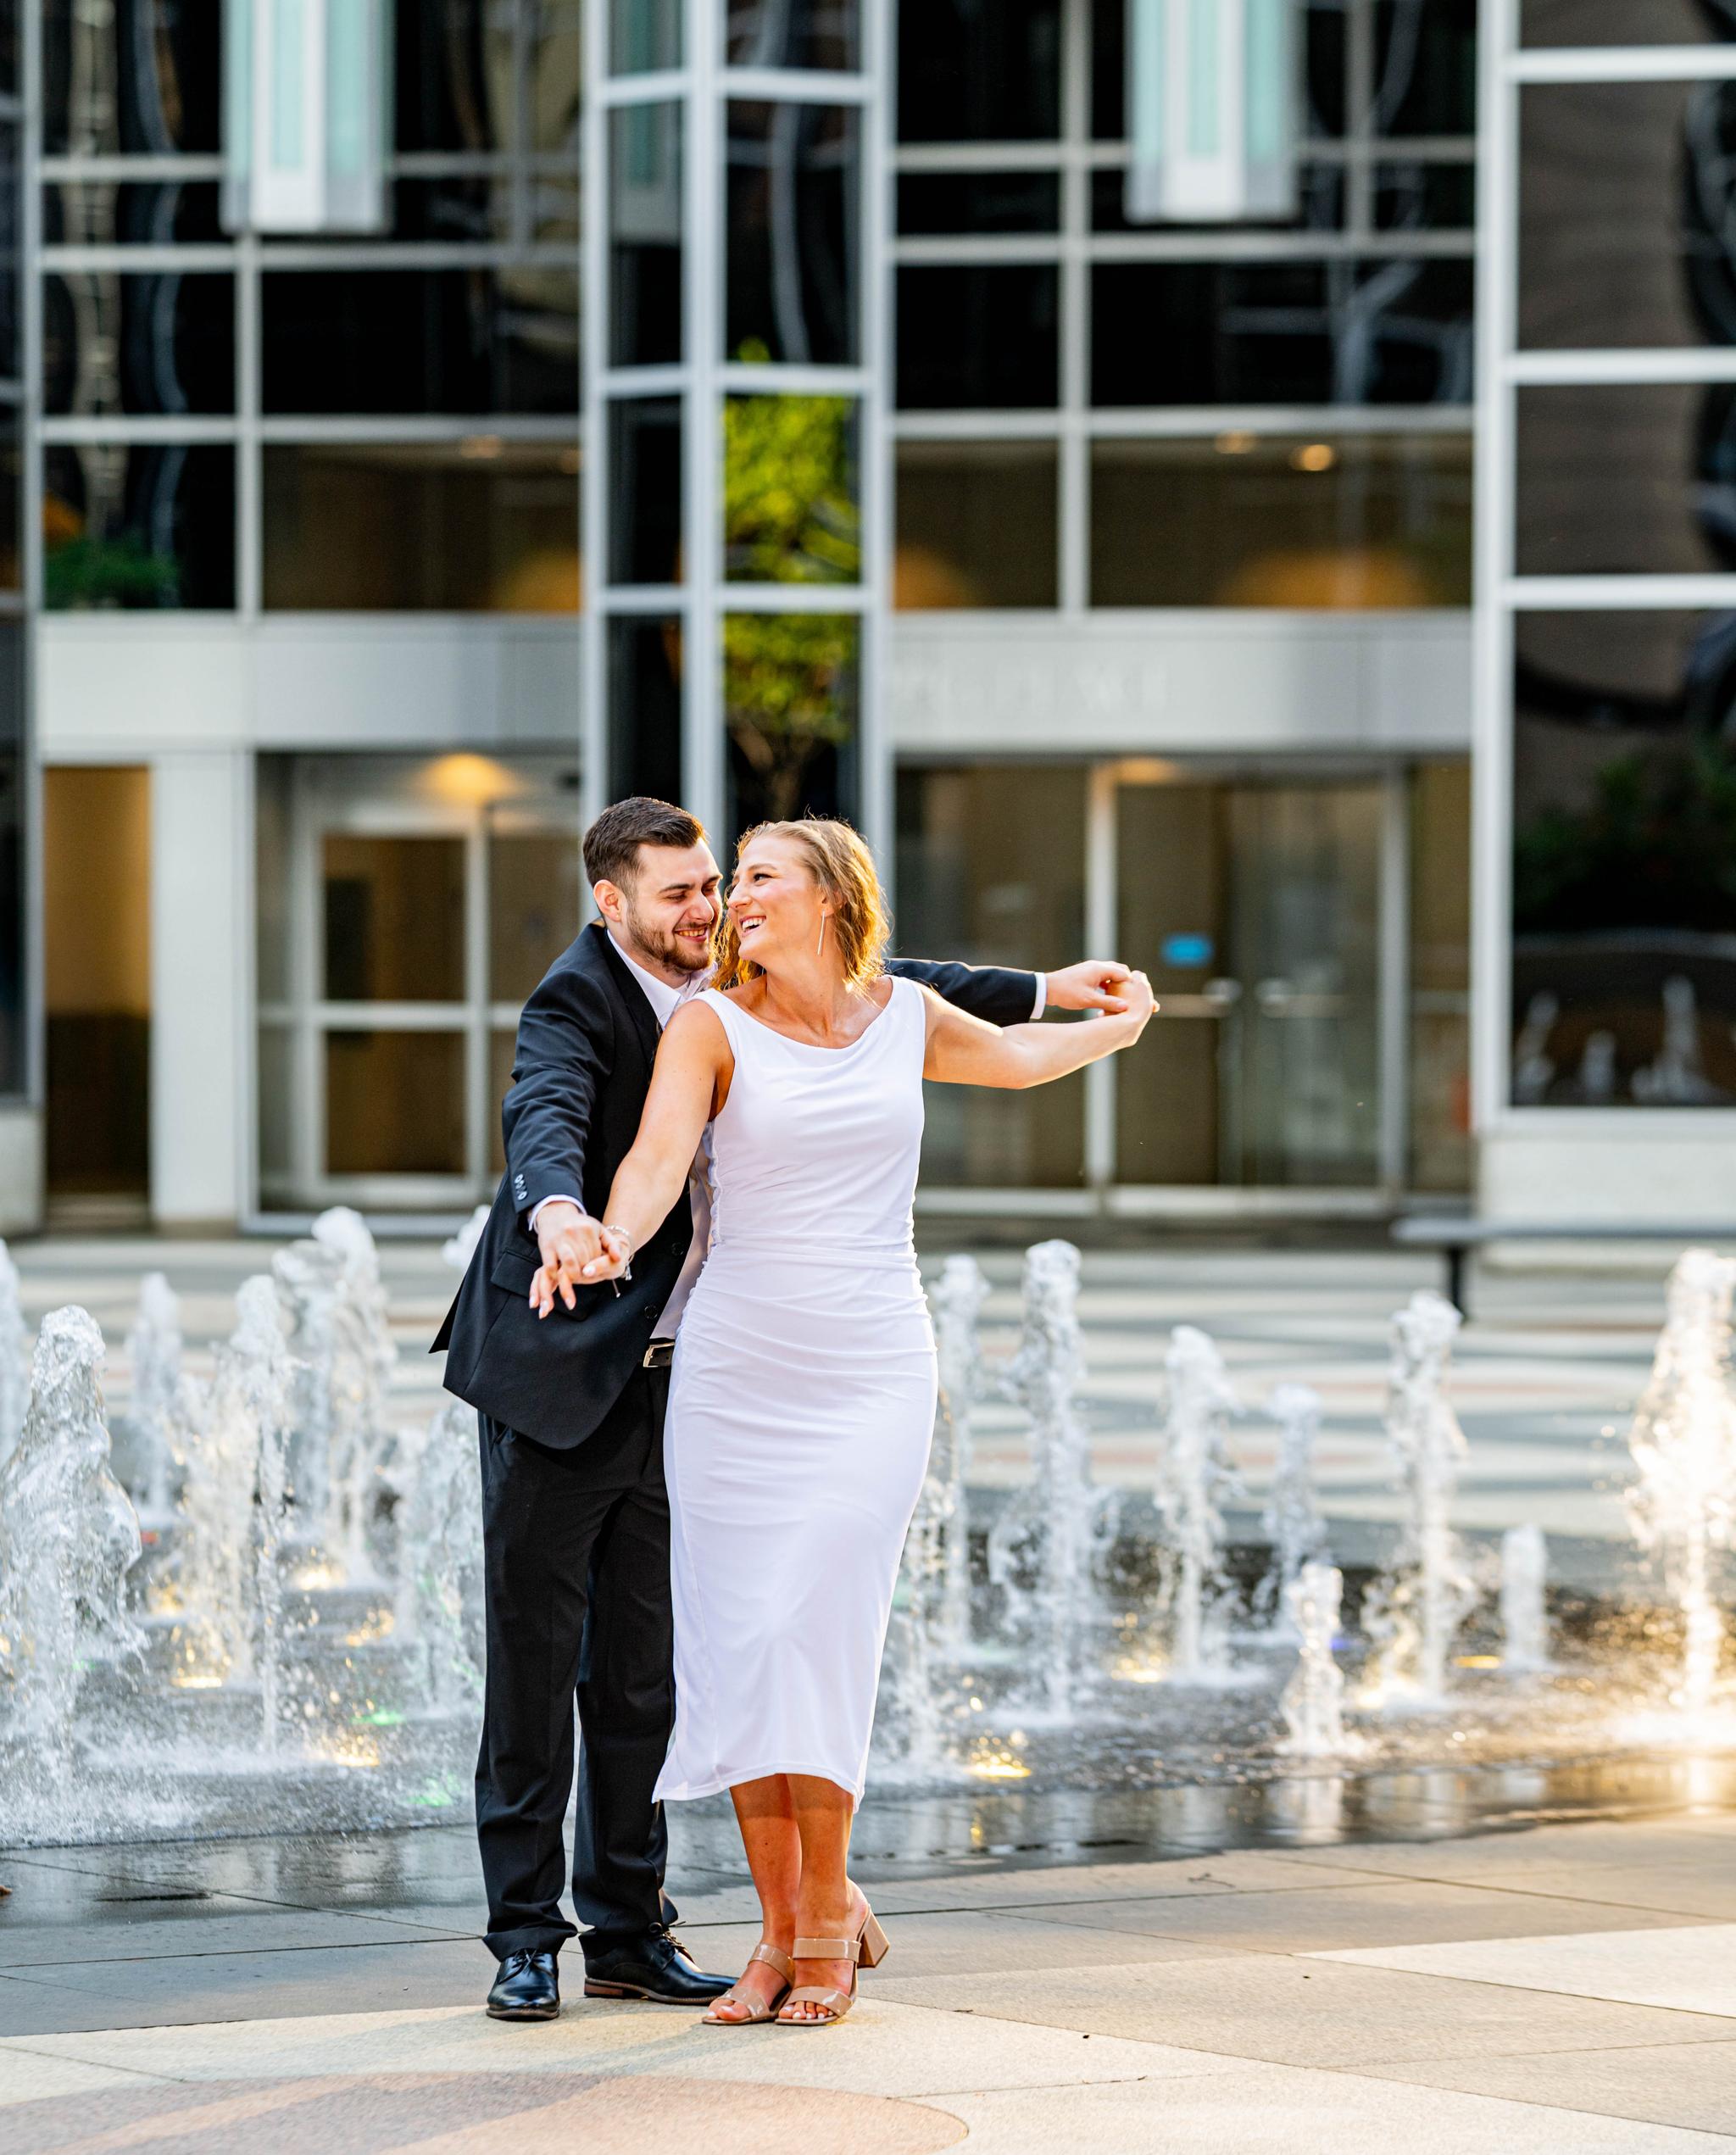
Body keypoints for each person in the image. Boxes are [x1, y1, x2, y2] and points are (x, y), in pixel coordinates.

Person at [435, 796, 1134, 2021]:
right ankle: (548, 1934)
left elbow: (915, 990)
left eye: (735, 883)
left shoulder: (835, 989)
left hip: (802, 1369)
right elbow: (580, 1137)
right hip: (585, 1361)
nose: (716, 906)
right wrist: (573, 1221)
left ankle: (662, 1928)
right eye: (692, 892)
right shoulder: (606, 1005)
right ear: (614, 904)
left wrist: (1069, 1000)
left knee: (711, 1655)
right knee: (580, 1663)